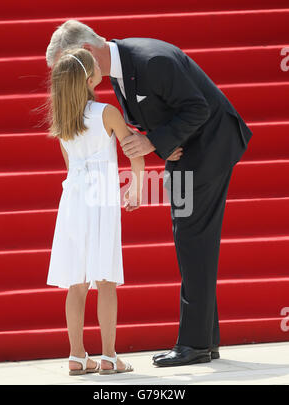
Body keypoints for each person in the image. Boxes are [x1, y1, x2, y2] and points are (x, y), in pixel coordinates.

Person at [46, 20, 253, 367]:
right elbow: (163, 113)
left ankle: (195, 344)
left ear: (84, 54)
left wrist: (155, 141)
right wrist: (160, 141)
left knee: (192, 238)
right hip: (186, 153)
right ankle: (206, 339)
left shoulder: (150, 60)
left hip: (207, 151)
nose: (66, 77)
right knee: (192, 240)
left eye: (68, 67)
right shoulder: (117, 72)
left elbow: (198, 108)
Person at [46, 47, 146, 375]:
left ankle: (76, 356)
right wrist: (136, 187)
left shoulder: (62, 122)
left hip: (73, 200)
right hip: (102, 200)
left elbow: (70, 168)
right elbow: (134, 150)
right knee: (105, 280)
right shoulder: (108, 112)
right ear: (90, 79)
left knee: (76, 283)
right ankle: (109, 356)